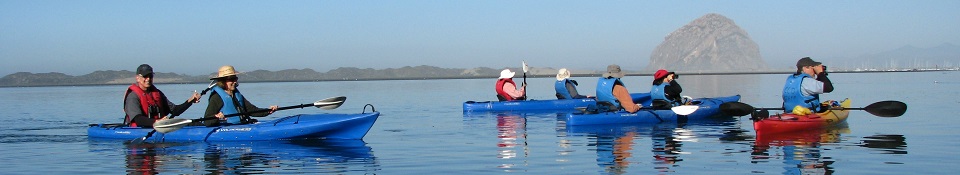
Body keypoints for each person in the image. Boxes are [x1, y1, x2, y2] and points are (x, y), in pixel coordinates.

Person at [123, 64, 201, 127]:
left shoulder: (157, 93)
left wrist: (190, 101)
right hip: (140, 130)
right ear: (137, 78)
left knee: (196, 124)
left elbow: (175, 111)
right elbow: (138, 120)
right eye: (145, 76)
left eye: (150, 76)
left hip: (160, 127)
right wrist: (158, 122)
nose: (148, 79)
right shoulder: (133, 96)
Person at [202, 65, 279, 126]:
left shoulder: (236, 94)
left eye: (235, 78)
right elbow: (207, 121)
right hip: (226, 127)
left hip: (242, 124)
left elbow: (252, 110)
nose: (235, 81)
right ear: (223, 81)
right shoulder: (216, 97)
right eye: (231, 79)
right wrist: (217, 118)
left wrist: (268, 111)